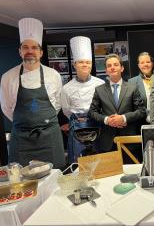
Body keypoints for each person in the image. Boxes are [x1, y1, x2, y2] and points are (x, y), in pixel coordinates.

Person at [0, 18, 65, 168]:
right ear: (20, 51)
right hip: (22, 138)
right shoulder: (8, 77)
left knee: (55, 175)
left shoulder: (53, 75)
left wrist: (43, 122)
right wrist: (26, 122)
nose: (30, 51)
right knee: (22, 181)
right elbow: (7, 108)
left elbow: (57, 104)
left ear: (41, 52)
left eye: (34, 47)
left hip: (49, 136)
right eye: (25, 47)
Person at [89, 53, 146, 159]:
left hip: (129, 142)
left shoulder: (132, 88)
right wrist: (107, 120)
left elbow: (141, 111)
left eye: (115, 64)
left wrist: (123, 118)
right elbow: (92, 112)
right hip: (107, 142)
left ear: (122, 68)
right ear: (106, 70)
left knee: (131, 174)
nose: (112, 67)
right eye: (109, 66)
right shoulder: (99, 90)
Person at [61, 36, 104, 163]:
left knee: (98, 160)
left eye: (88, 62)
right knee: (78, 160)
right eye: (81, 62)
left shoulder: (100, 83)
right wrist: (80, 118)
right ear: (75, 64)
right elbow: (66, 110)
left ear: (91, 65)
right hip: (77, 127)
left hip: (96, 124)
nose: (85, 65)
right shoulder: (66, 88)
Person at [128, 52, 154, 124]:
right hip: (140, 123)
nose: (145, 64)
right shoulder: (131, 82)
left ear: (152, 64)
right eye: (142, 63)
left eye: (148, 62)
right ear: (139, 66)